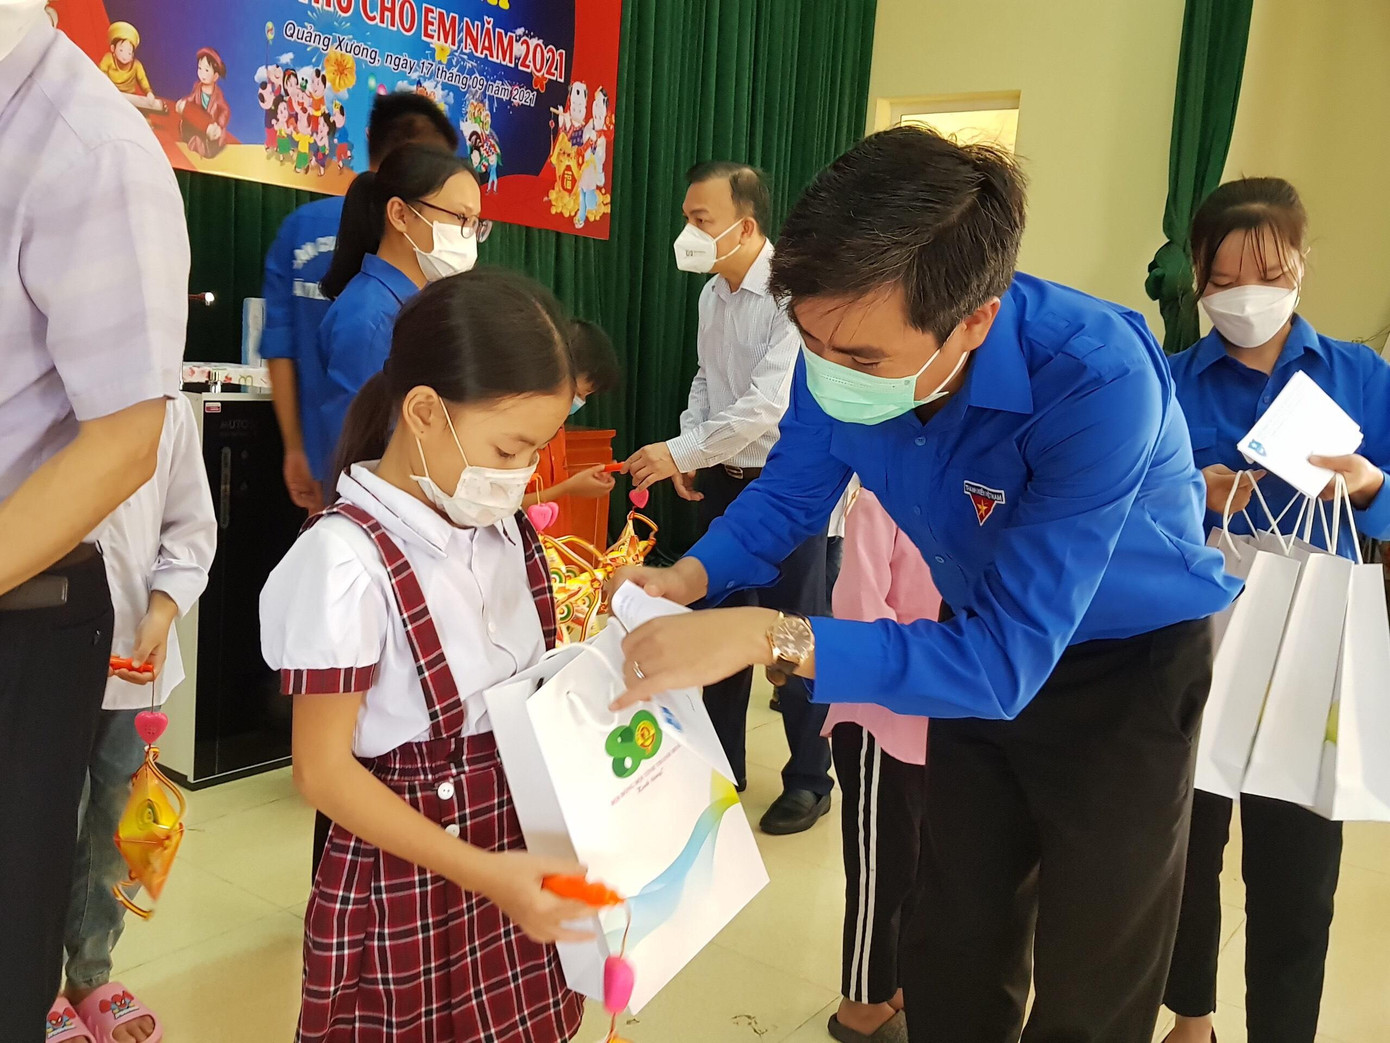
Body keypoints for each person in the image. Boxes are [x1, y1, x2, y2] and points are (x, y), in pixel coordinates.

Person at [611, 127, 1240, 1043]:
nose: (829, 372)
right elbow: (793, 488)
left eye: (862, 359)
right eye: (812, 342)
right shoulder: (840, 341)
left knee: (1096, 956)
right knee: (955, 928)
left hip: (1125, 666)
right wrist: (689, 574)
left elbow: (1004, 662)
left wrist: (766, 634)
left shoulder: (1095, 377)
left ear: (974, 320)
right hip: (973, 625)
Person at [260, 269, 590, 1043]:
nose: (520, 473)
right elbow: (322, 771)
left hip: (517, 847)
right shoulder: (345, 562)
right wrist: (484, 872)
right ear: (422, 412)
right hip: (408, 877)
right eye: (508, 448)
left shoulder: (504, 530)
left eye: (535, 451)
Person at [1162, 178, 1390, 1043]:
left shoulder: (1362, 377)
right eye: (1224, 280)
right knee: (1184, 850)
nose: (1246, 296)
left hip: (1311, 650)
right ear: (1197, 277)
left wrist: (1367, 486)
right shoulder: (1167, 381)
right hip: (1193, 642)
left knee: (1298, 872)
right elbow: (1121, 507)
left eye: (1269, 274)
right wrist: (1194, 491)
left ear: (1302, 265)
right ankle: (1191, 1016)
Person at [0, 6, 189, 1039]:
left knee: (92, 826)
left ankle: (84, 972)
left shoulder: (88, 148)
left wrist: (162, 604)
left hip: (48, 617)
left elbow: (134, 459)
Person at [624, 162, 832, 836]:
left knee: (793, 635)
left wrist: (680, 452)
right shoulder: (713, 293)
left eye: (700, 220)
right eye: (687, 217)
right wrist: (693, 451)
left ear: (744, 227)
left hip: (784, 488)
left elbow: (767, 405)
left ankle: (811, 779)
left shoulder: (792, 296)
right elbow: (705, 381)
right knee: (717, 626)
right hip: (724, 480)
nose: (687, 232)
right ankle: (721, 770)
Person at [60, 396, 216, 1043]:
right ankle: (30, 983)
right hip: (43, 655)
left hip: (135, 657)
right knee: (41, 825)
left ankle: (91, 976)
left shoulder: (167, 407)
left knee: (115, 829)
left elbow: (190, 524)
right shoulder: (33, 390)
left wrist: (164, 606)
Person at [261, 91, 458, 512]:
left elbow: (280, 349)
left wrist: (295, 447)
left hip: (331, 462)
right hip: (372, 481)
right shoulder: (377, 299)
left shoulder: (301, 228)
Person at [822, 486, 936, 1043]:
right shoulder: (879, 501)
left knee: (919, 863)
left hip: (940, 719)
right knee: (879, 872)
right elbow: (860, 610)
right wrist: (933, 670)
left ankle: (898, 981)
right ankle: (861, 1002)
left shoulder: (970, 497)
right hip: (879, 720)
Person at [315, 144, 483, 485]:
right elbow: (360, 448)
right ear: (400, 215)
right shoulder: (371, 318)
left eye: (476, 223)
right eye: (460, 218)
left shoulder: (415, 306)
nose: (468, 235)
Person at [525, 319, 621, 512]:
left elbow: (550, 480)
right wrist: (569, 488)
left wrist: (581, 479)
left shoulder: (557, 428)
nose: (579, 403)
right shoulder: (519, 434)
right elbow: (503, 510)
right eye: (577, 394)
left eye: (585, 396)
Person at [174, 47, 228, 158]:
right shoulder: (197, 87)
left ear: (215, 76)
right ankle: (194, 141)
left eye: (207, 70)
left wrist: (219, 125)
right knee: (187, 119)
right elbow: (191, 99)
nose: (202, 73)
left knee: (210, 140)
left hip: (210, 126)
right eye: (200, 68)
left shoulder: (218, 95)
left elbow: (225, 111)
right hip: (197, 123)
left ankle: (202, 145)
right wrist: (183, 102)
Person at [98, 20, 153, 100]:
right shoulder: (108, 59)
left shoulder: (136, 65)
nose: (125, 56)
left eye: (129, 52)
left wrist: (149, 92)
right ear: (113, 48)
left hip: (129, 97)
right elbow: (102, 73)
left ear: (132, 54)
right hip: (110, 94)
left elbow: (142, 80)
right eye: (121, 50)